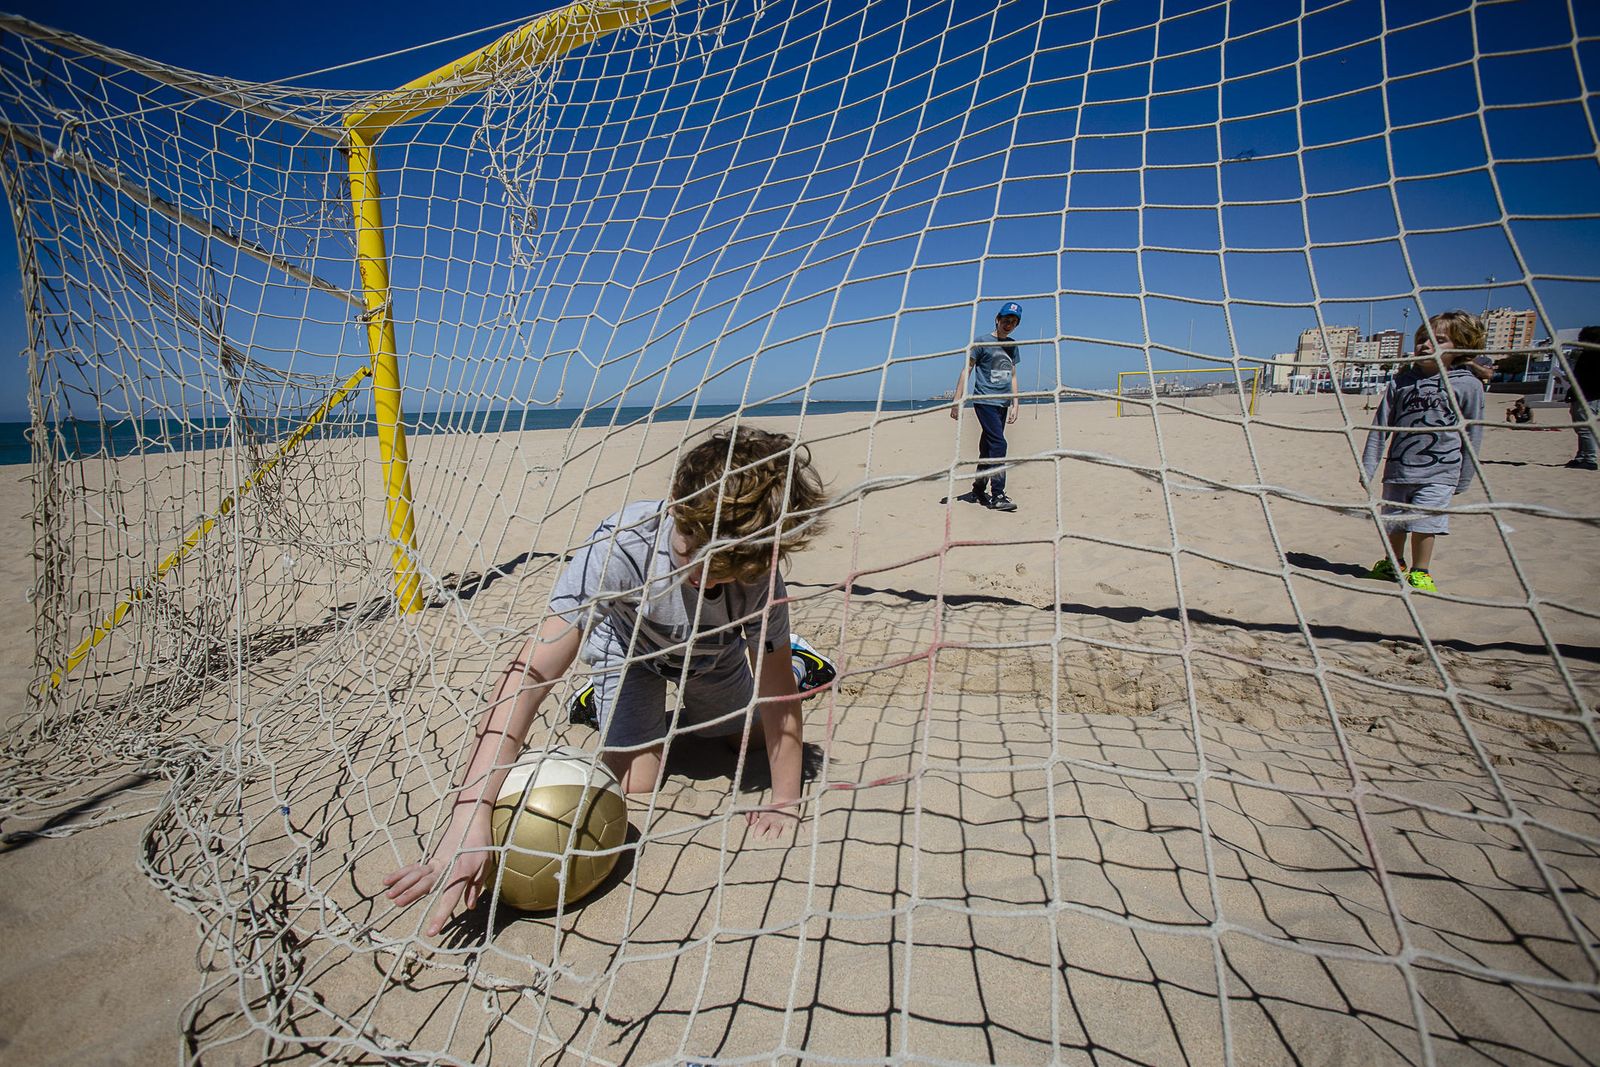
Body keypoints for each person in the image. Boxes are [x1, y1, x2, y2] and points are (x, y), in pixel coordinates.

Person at [384, 428, 828, 935]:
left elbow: (777, 698)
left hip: (716, 654)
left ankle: (799, 658)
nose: (704, 576)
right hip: (632, 652)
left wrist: (785, 802)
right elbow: (530, 674)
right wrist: (470, 812)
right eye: (690, 554)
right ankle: (598, 693)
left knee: (739, 745)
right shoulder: (623, 544)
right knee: (632, 786)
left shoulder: (760, 577)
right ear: (675, 510)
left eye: (721, 568)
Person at [1361, 311, 1486, 592]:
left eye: (1438, 340)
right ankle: (1393, 564)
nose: (1425, 344)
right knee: (1394, 522)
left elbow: (1472, 433)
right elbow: (1380, 427)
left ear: (1461, 347)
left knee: (1426, 523)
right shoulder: (1401, 383)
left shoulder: (1468, 386)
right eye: (1421, 339)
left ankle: (1421, 571)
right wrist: (1367, 466)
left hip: (1441, 471)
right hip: (1399, 469)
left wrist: (1464, 476)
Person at [950, 301, 1022, 511]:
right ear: (997, 319)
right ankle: (998, 494)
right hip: (984, 401)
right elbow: (967, 370)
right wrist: (957, 400)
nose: (1009, 324)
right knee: (999, 445)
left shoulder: (1012, 345)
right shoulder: (981, 342)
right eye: (1006, 320)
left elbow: (1014, 375)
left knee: (988, 447)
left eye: (1013, 322)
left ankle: (978, 488)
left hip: (1003, 403)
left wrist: (1016, 403)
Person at [1566, 324, 1599, 470]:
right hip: (1581, 395)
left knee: (1585, 427)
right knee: (1580, 427)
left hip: (1589, 396)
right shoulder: (1586, 355)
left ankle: (1590, 458)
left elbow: (1587, 378)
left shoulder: (1595, 356)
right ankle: (1581, 456)